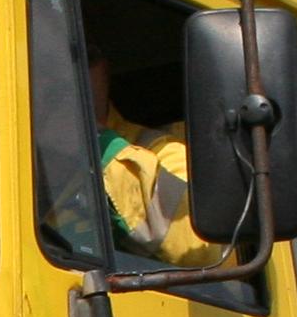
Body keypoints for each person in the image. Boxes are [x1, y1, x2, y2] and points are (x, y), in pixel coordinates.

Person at [91, 57, 214, 265]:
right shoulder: (22, 168)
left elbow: (202, 247)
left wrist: (93, 141)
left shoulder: (162, 148)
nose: (63, 70)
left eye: (84, 55)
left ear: (104, 67)